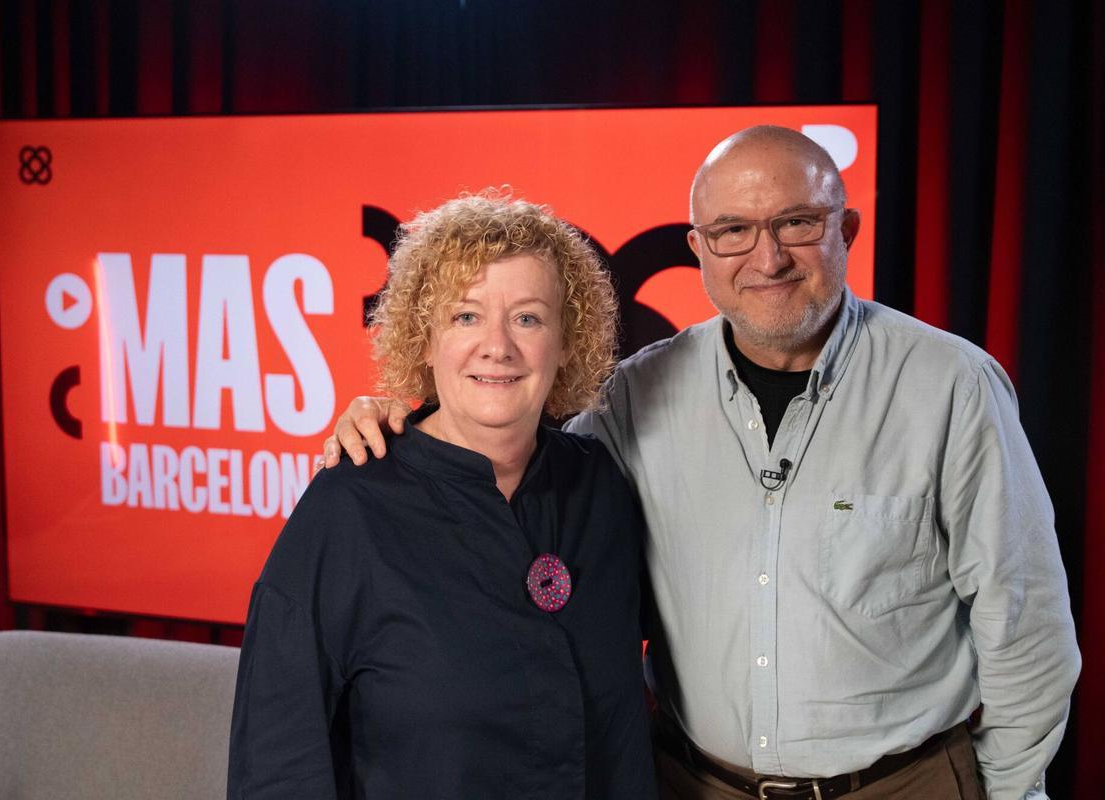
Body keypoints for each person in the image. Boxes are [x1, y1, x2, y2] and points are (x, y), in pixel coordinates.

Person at [322, 126, 1080, 799]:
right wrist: (401, 420)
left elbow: (1027, 627)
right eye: (733, 230)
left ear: (845, 228)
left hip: (902, 784)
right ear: (698, 250)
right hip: (692, 783)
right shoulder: (634, 395)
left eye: (797, 222)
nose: (768, 256)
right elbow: (504, 452)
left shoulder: (951, 386)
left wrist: (1008, 789)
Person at [227, 192, 657, 799]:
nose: (498, 346)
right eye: (465, 316)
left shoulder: (600, 487)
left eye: (529, 318)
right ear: (423, 340)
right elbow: (278, 760)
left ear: (566, 343)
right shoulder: (349, 506)